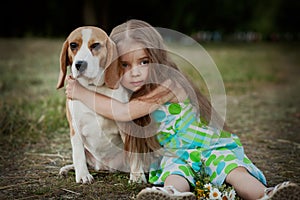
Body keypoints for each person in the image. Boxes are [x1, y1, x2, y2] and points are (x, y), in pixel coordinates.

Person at [65, 19, 299, 200]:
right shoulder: (128, 92)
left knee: (232, 170)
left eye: (144, 62)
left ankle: (264, 195)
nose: (135, 72)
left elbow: (124, 113)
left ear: (156, 58)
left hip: (207, 147)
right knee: (174, 175)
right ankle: (172, 195)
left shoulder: (169, 84)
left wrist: (82, 92)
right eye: (124, 65)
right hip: (175, 156)